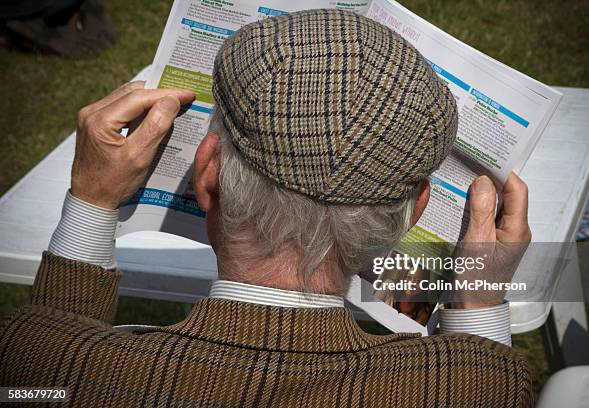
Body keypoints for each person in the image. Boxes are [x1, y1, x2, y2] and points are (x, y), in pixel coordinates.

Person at [0, 9, 532, 407]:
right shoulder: (479, 386)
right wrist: (477, 303)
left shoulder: (39, 360)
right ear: (414, 211)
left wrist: (92, 201)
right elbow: (476, 375)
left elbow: (46, 370)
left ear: (208, 177)